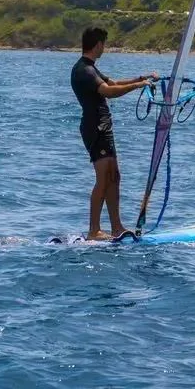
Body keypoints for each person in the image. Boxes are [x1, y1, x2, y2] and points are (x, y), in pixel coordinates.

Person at [70, 27, 156, 241]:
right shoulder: (84, 70)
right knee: (103, 177)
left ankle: (116, 227)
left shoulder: (91, 68)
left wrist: (142, 77)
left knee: (114, 177)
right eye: (104, 44)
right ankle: (94, 231)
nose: (104, 48)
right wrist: (139, 86)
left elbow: (113, 83)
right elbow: (108, 92)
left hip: (103, 127)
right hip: (95, 127)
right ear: (98, 44)